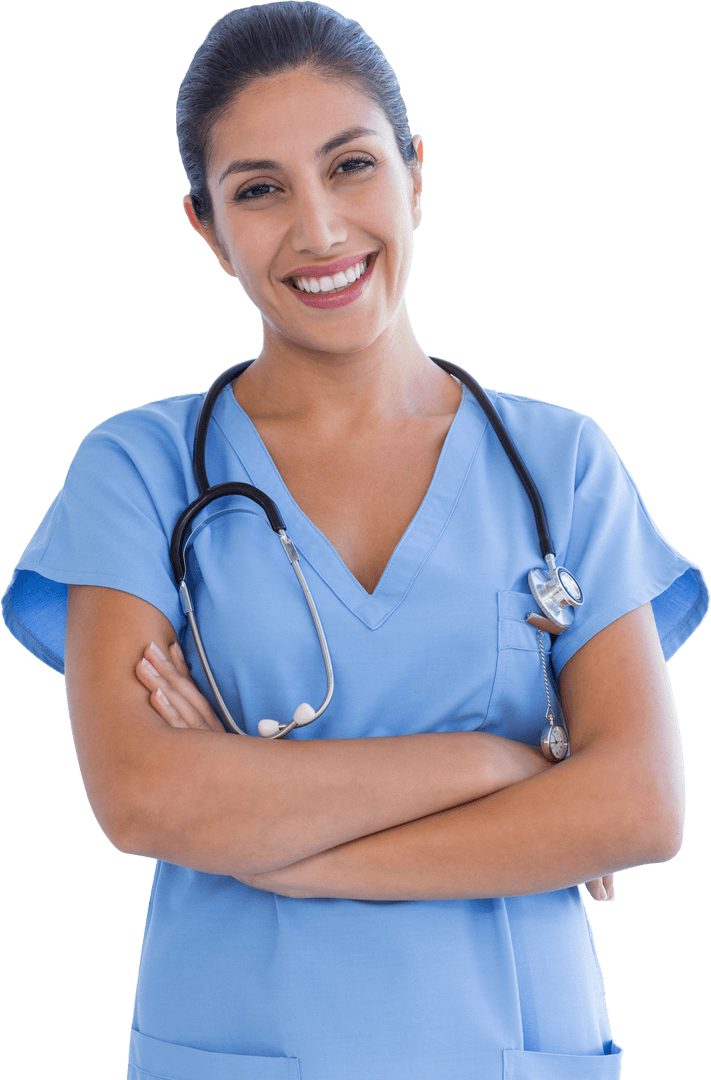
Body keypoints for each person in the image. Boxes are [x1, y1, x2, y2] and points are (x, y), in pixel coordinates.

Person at [2, 3, 708, 1078]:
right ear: (205, 226)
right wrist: (500, 766)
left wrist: (286, 849)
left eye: (351, 165)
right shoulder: (139, 469)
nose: (321, 230)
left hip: (518, 1051)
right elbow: (145, 795)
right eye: (259, 189)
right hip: (238, 1049)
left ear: (415, 173)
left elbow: (642, 806)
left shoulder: (561, 462)